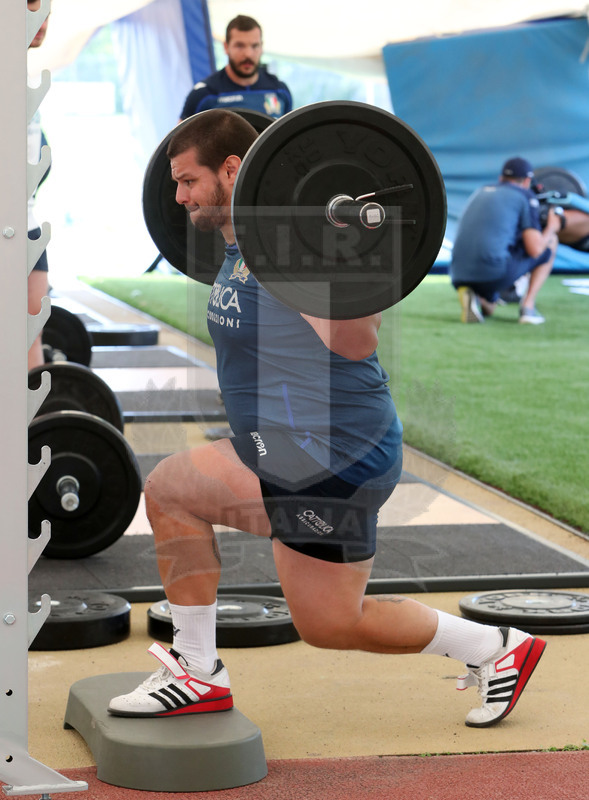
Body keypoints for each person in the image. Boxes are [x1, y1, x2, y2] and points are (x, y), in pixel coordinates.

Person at [108, 110, 546, 729]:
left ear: (232, 170)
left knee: (172, 490)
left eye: (187, 181)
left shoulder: (294, 246)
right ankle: (495, 648)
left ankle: (196, 671)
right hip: (291, 445)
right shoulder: (239, 247)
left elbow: (357, 342)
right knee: (331, 623)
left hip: (333, 452)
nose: (176, 197)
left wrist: (312, 263)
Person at [450, 157, 562, 325]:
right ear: (527, 181)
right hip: (493, 271)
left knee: (490, 309)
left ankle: (476, 297)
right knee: (551, 241)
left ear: (501, 177)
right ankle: (528, 308)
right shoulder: (525, 195)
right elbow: (535, 249)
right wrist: (552, 226)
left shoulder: (480, 191)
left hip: (457, 273)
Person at [179, 15, 292, 121]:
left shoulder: (280, 90)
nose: (248, 54)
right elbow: (179, 135)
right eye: (240, 46)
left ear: (261, 47)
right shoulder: (204, 94)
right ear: (226, 47)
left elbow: (289, 132)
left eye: (255, 46)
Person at [27, 0, 50, 369]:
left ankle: (36, 399)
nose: (43, 18)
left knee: (32, 331)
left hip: (27, 225)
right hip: (9, 229)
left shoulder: (25, 82)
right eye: (32, 6)